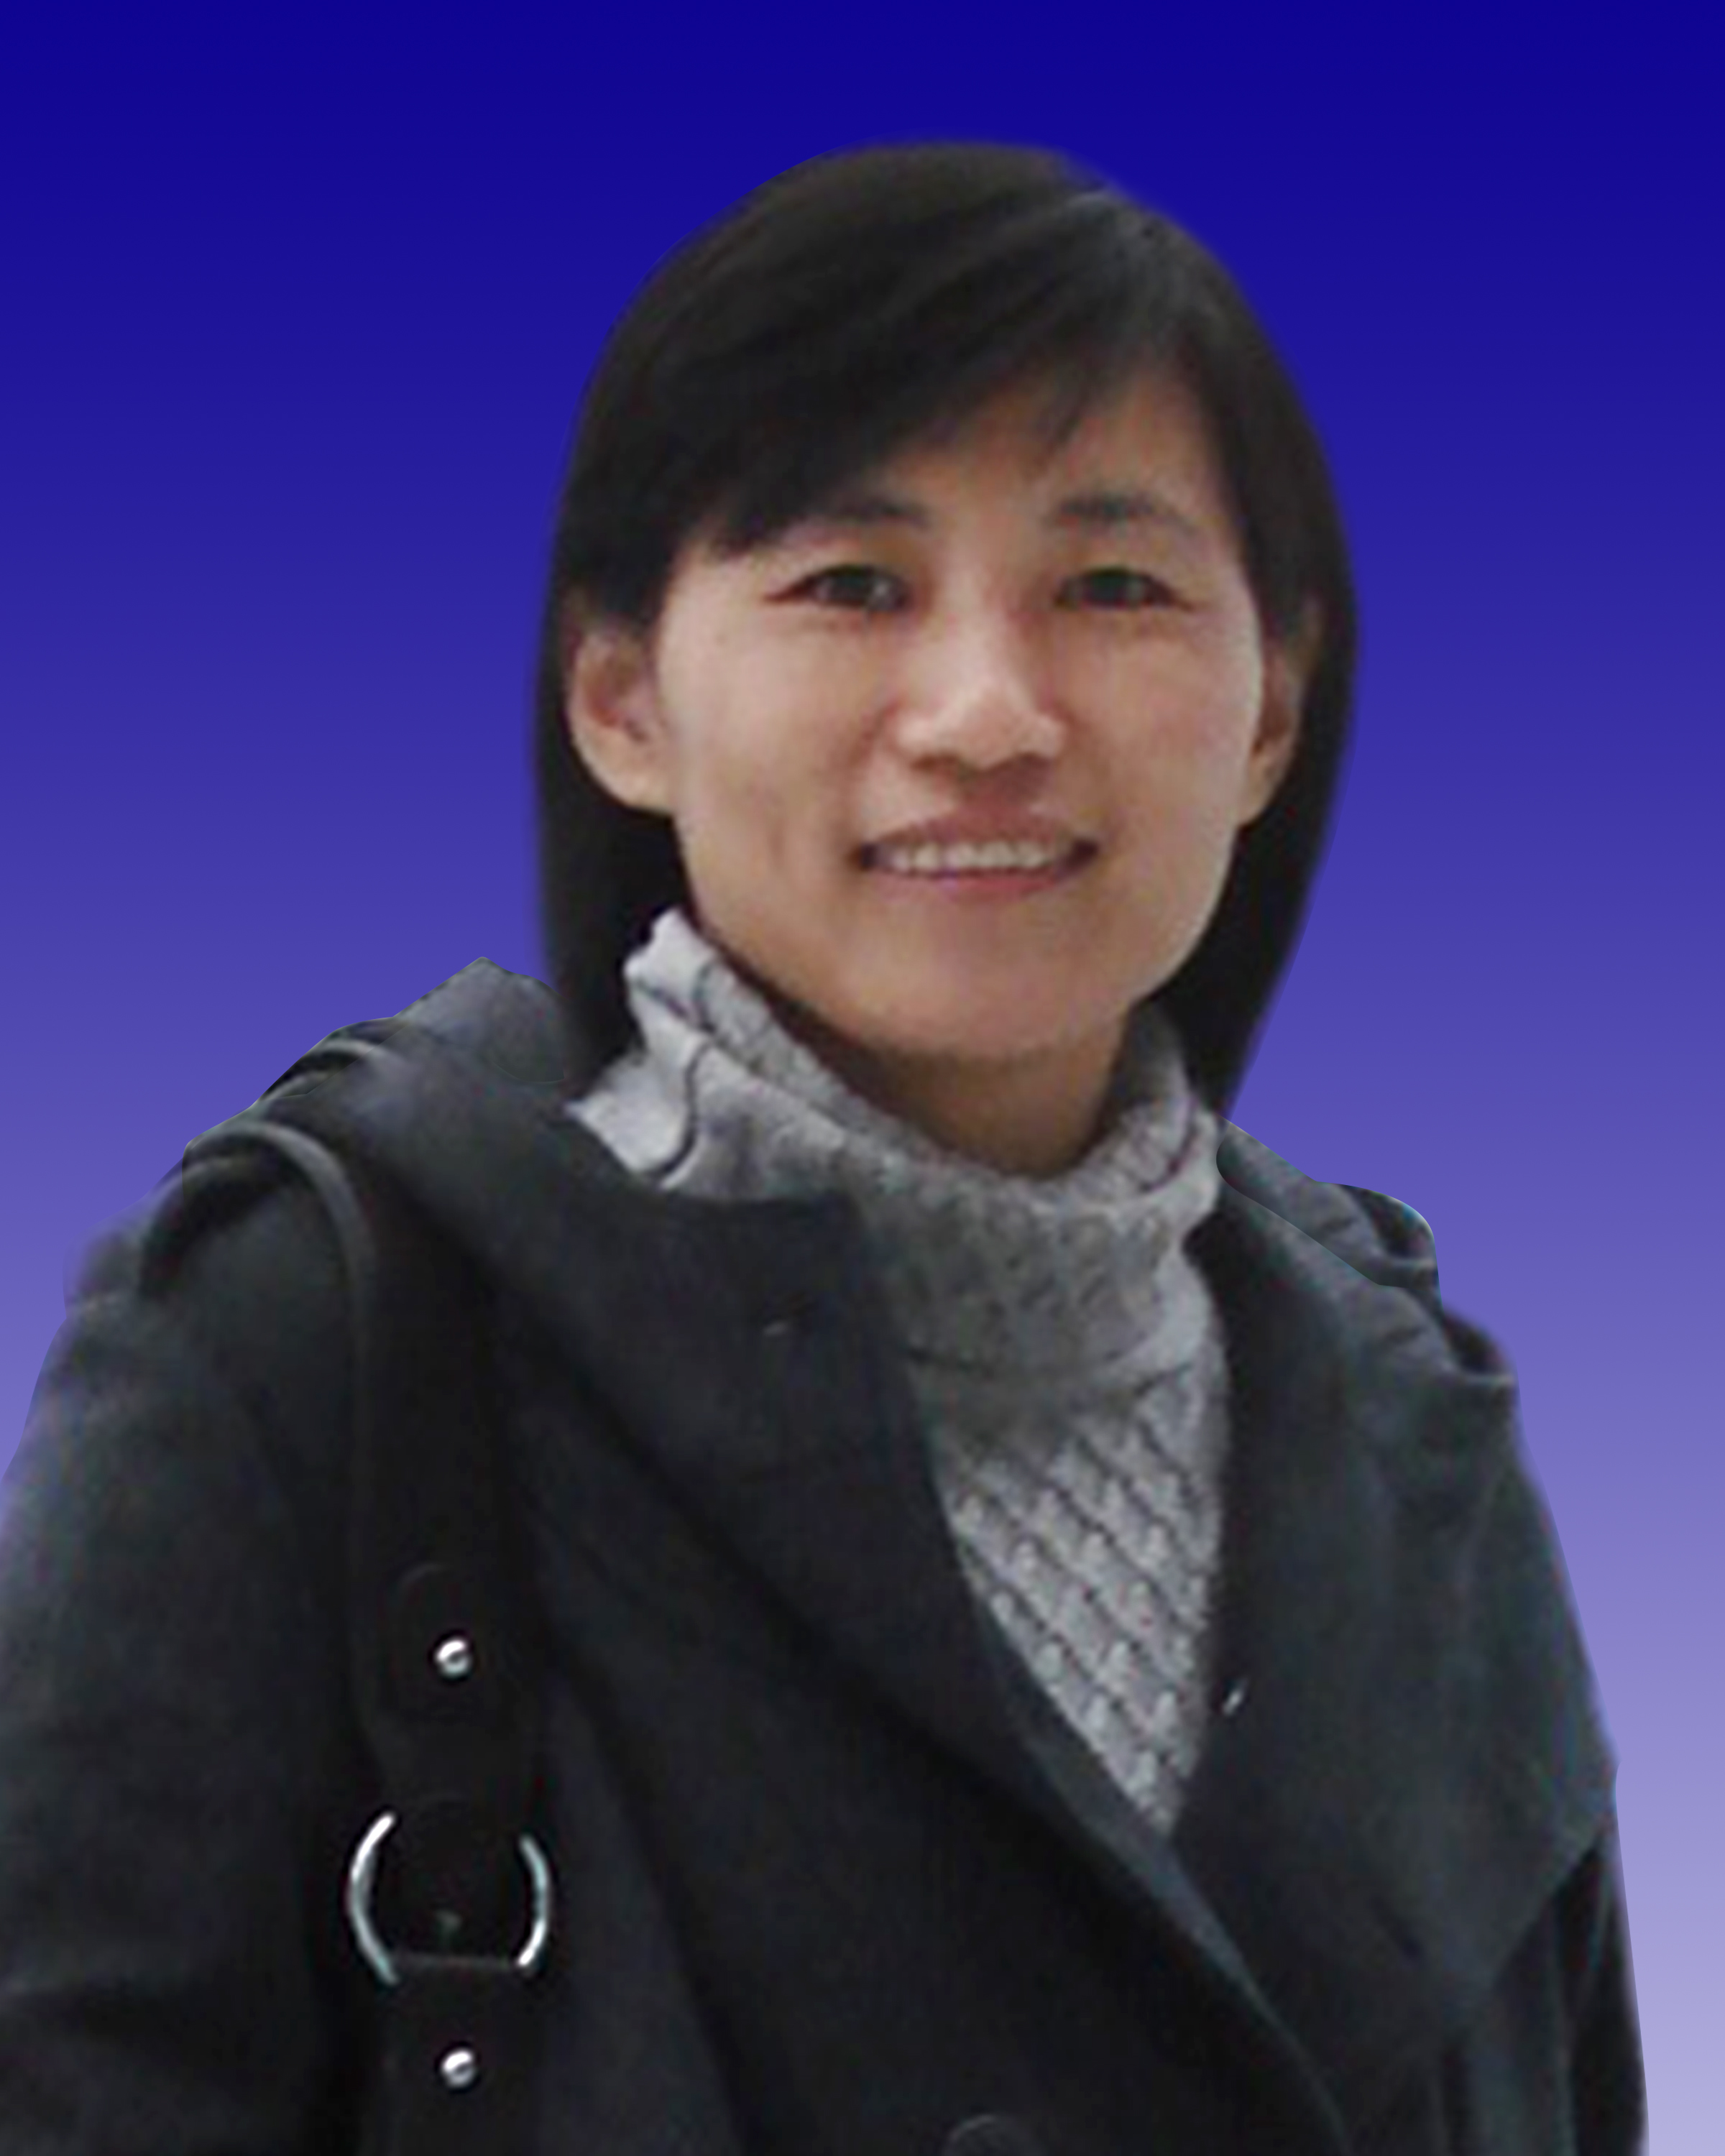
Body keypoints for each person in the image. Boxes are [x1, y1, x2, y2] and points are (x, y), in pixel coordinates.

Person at [0, 142, 1644, 2154]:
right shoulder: (310, 1354)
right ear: (622, 699)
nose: (987, 713)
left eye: (1113, 586)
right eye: (853, 584)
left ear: (1273, 711)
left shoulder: (1416, 1441)